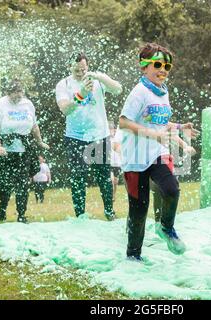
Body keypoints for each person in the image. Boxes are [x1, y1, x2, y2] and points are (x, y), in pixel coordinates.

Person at [119, 43, 199, 261]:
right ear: (144, 67)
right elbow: (123, 122)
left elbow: (159, 120)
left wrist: (181, 127)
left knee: (171, 189)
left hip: (156, 152)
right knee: (139, 209)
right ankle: (133, 255)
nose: (163, 69)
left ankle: (166, 228)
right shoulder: (139, 92)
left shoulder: (163, 91)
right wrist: (152, 135)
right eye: (157, 64)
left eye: (167, 66)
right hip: (135, 158)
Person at [56, 52, 122, 220]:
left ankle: (109, 211)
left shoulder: (97, 79)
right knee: (78, 177)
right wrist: (81, 95)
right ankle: (80, 216)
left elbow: (118, 89)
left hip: (100, 134)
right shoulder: (63, 84)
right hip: (75, 136)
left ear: (88, 67)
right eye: (77, 70)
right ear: (70, 67)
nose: (80, 73)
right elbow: (65, 109)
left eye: (83, 70)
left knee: (104, 176)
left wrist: (101, 78)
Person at [0, 79, 49, 223]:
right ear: (8, 93)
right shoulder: (0, 104)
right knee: (6, 184)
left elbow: (34, 126)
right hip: (6, 152)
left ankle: (21, 215)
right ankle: (2, 210)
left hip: (23, 151)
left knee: (23, 184)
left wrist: (40, 141)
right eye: (15, 94)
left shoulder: (27, 104)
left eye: (20, 93)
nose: (18, 96)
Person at [109, 121, 122, 202]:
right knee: (112, 179)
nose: (111, 131)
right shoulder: (107, 139)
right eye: (109, 129)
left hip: (117, 163)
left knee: (116, 182)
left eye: (112, 129)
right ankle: (109, 195)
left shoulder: (117, 138)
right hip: (109, 163)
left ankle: (113, 195)